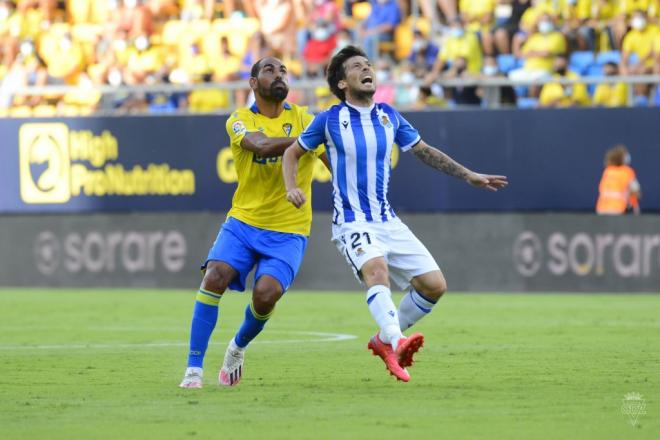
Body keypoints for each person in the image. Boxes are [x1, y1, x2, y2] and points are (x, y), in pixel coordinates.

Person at [282, 46, 507, 382]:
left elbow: (424, 151)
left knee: (434, 286)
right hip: (352, 219)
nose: (366, 69)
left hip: (387, 220)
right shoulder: (328, 120)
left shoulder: (388, 115)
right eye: (357, 66)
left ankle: (384, 338)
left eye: (368, 64)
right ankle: (398, 340)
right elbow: (292, 153)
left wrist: (468, 175)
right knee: (376, 270)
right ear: (342, 83)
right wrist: (291, 187)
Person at [179, 56, 327, 388]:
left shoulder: (304, 118)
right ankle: (193, 369)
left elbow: (333, 164)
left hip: (289, 230)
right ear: (253, 83)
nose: (280, 75)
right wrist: (309, 140)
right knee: (215, 275)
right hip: (244, 222)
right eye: (270, 70)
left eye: (284, 70)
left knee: (265, 294)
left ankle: (237, 347)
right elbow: (259, 145)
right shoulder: (239, 120)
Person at [596, 144, 641, 215]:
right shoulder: (627, 172)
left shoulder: (608, 171)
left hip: (601, 208)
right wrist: (633, 205)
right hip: (617, 208)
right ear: (622, 158)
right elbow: (636, 191)